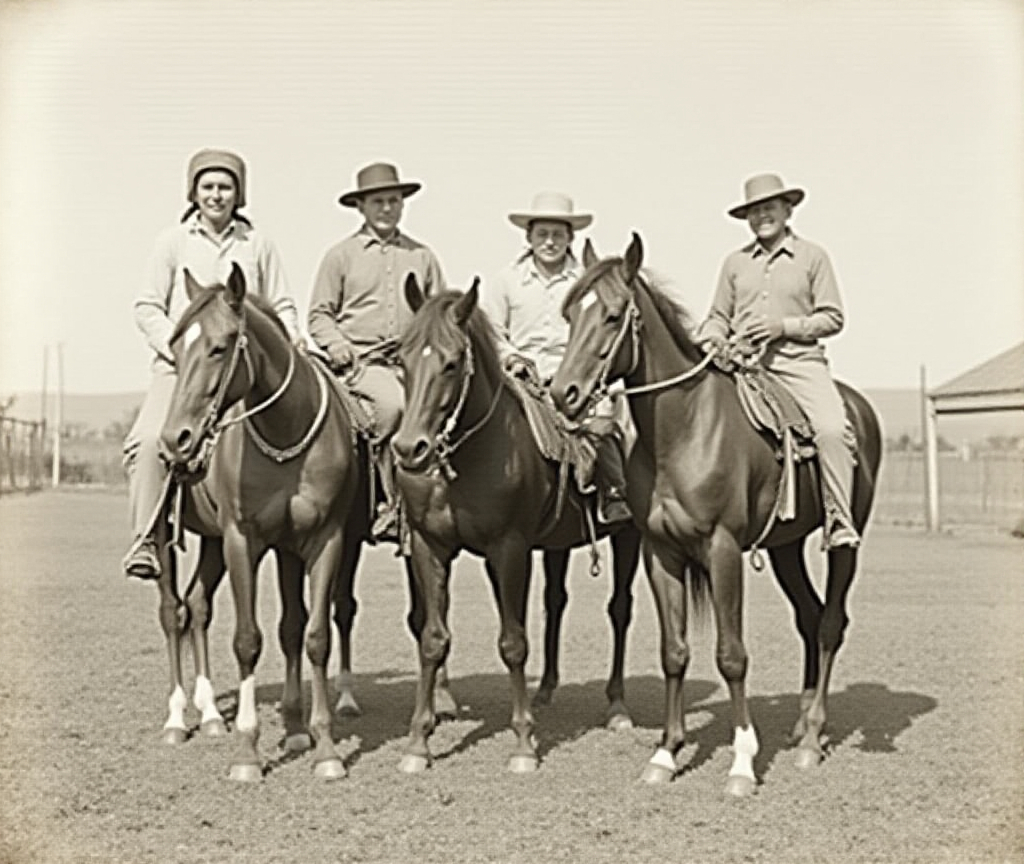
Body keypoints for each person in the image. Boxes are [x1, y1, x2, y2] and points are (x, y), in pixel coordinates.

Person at [123, 148, 305, 579]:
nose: (216, 195)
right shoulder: (172, 242)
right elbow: (146, 305)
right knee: (151, 441)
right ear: (194, 191)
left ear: (238, 193)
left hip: (246, 371)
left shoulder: (257, 243)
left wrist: (295, 339)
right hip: (184, 368)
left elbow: (280, 302)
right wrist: (178, 350)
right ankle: (147, 537)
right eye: (208, 186)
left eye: (225, 187)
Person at [697, 173, 860, 549]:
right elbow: (718, 315)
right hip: (742, 367)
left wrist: (782, 326)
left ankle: (838, 518)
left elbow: (833, 317)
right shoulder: (735, 263)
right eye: (753, 212)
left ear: (788, 210)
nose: (761, 217)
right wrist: (713, 337)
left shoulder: (812, 257)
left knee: (833, 430)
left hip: (797, 364)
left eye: (769, 208)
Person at [307, 161, 446, 542]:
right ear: (361, 208)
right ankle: (389, 503)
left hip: (414, 363)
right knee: (395, 407)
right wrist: (337, 346)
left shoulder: (423, 256)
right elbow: (319, 314)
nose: (387, 208)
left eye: (394, 201)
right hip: (360, 362)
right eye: (379, 201)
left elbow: (440, 315)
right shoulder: (341, 256)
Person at [478, 191, 631, 525]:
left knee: (602, 425)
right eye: (542, 234)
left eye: (558, 235)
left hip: (575, 377)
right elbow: (492, 333)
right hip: (522, 382)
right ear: (529, 237)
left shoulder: (585, 281)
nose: (550, 242)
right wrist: (513, 359)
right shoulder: (506, 281)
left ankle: (613, 493)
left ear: (570, 238)